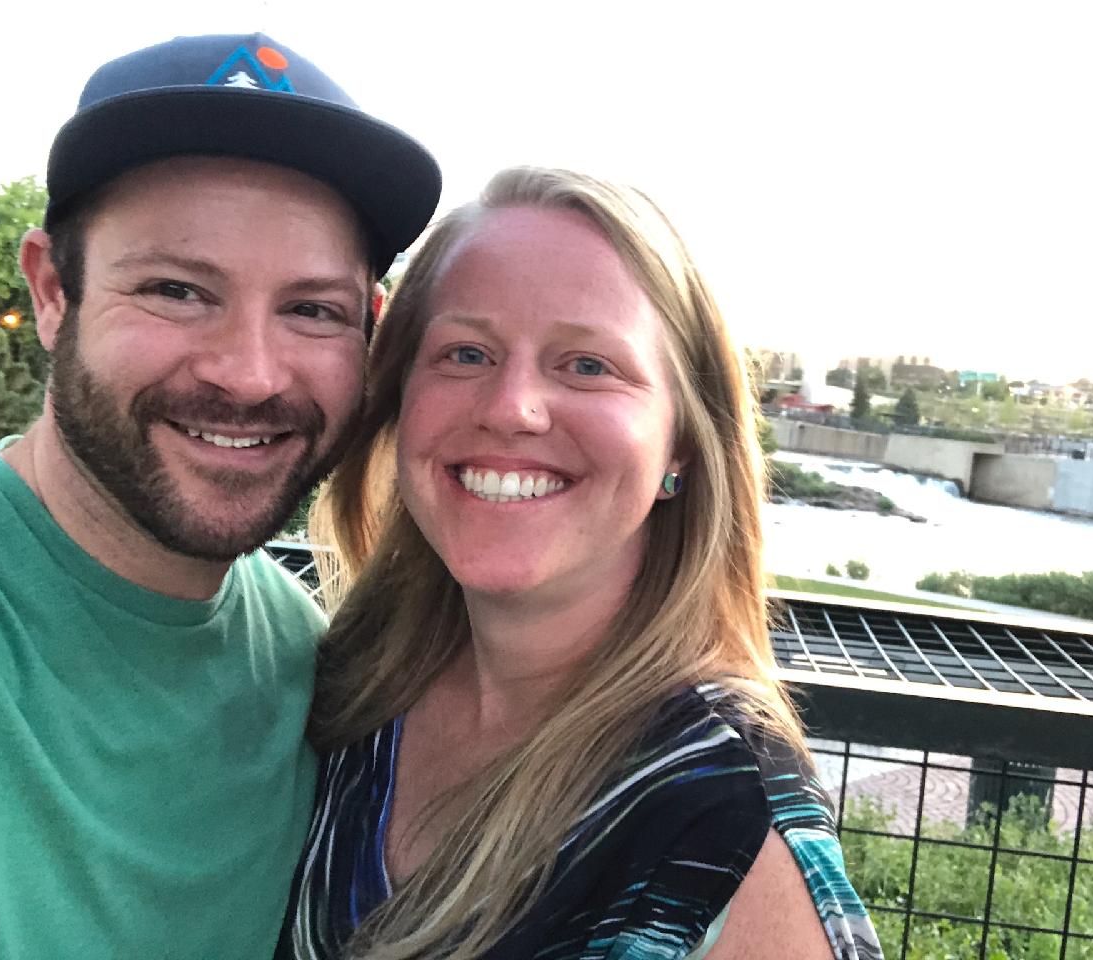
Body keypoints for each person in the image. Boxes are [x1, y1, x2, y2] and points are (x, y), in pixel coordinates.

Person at [0, 33, 440, 959]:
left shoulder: (301, 657)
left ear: (369, 333)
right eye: (178, 290)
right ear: (52, 292)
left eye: (311, 309)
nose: (249, 375)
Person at [284, 168, 882, 959]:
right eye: (466, 353)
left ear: (681, 445)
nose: (511, 408)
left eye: (588, 365)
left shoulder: (725, 823)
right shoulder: (349, 690)